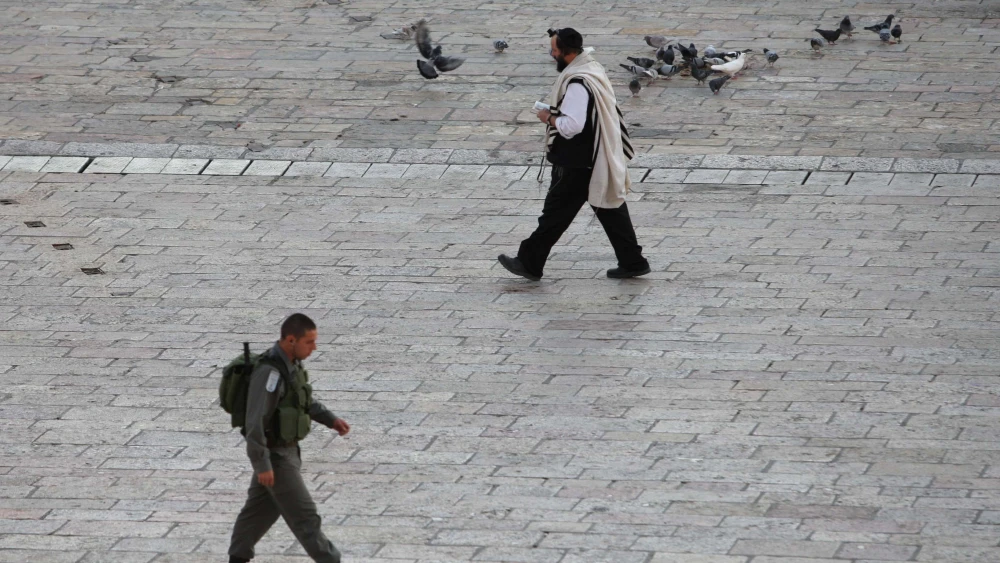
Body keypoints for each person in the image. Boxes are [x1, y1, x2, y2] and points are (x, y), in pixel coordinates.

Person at [498, 27, 650, 281]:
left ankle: (529, 262)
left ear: (566, 54)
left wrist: (548, 117)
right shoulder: (591, 67)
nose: (551, 55)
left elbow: (572, 126)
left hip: (577, 162)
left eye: (553, 51)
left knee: (555, 214)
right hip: (593, 157)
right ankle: (632, 261)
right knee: (610, 208)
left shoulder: (578, 83)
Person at [228, 313, 350, 563]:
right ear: (291, 339)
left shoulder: (291, 365)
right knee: (306, 518)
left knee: (256, 514)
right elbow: (255, 422)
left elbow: (301, 401)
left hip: (287, 453)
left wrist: (331, 419)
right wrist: (262, 464)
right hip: (277, 459)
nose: (314, 348)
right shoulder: (270, 373)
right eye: (310, 342)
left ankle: (237, 559)